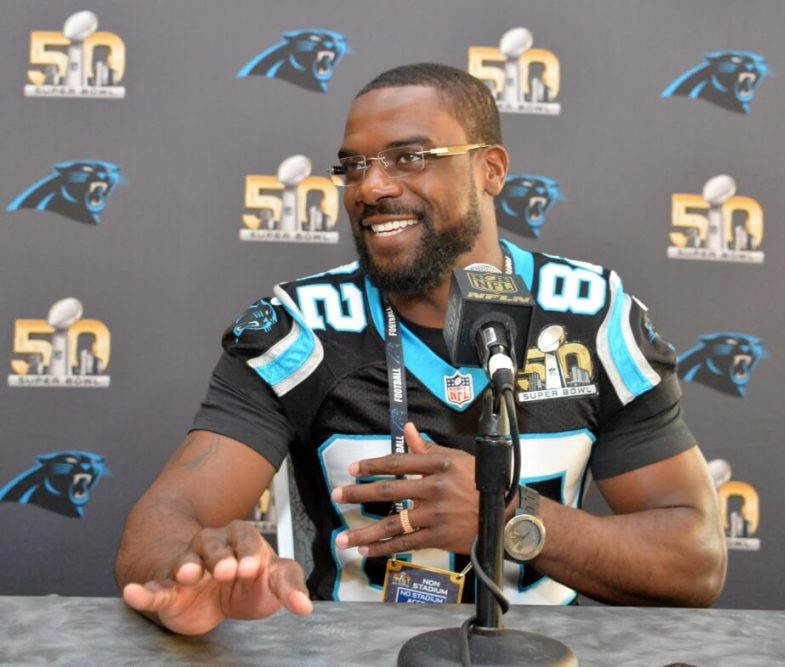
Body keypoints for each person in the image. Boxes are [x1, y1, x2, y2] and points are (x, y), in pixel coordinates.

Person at [115, 63, 727, 635]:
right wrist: (192, 574)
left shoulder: (592, 316)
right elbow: (168, 518)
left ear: (490, 169)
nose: (371, 186)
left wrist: (509, 517)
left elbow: (694, 562)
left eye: (410, 157)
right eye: (353, 166)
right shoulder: (300, 326)